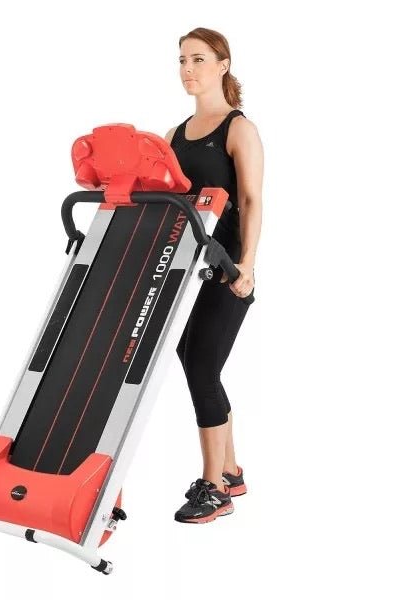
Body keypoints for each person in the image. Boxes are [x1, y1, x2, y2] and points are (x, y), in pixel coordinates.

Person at [164, 27, 263, 524]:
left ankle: (214, 488)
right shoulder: (173, 135)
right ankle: (230, 470)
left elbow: (250, 200)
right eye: (182, 60)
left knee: (202, 366)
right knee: (192, 358)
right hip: (186, 270)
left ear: (223, 64)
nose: (188, 69)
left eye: (198, 59)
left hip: (226, 270)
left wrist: (247, 264)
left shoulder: (238, 129)